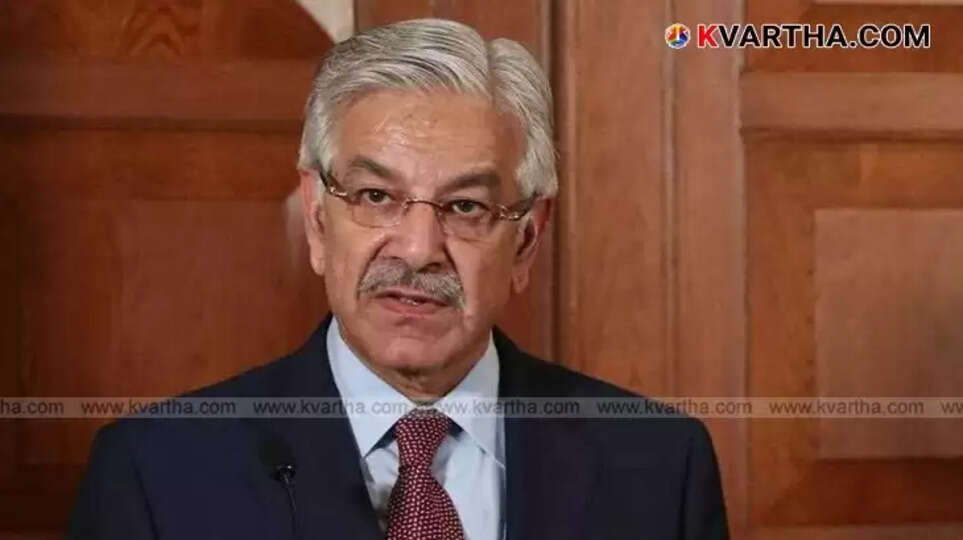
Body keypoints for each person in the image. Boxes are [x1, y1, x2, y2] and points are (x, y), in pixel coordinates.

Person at [69, 18, 728, 540]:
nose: (417, 250)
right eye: (376, 196)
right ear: (318, 222)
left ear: (526, 238)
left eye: (465, 206)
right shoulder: (156, 475)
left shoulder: (658, 468)